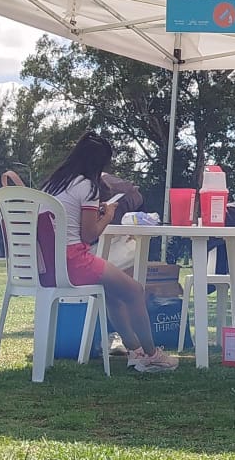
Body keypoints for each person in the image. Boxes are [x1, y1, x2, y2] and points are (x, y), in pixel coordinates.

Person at [10, 133, 176, 372]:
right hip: (74, 262)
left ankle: (135, 351)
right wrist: (107, 216)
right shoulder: (87, 186)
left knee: (113, 294)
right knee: (135, 291)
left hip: (47, 266)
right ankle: (151, 354)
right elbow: (89, 235)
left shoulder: (51, 185)